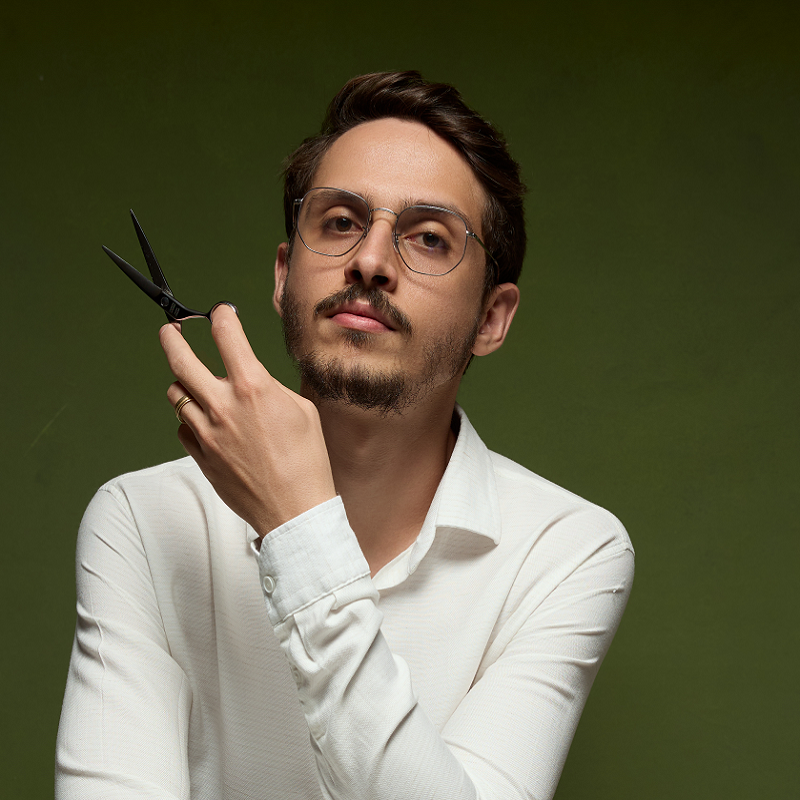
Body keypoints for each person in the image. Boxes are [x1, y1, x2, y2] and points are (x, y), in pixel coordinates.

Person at [56, 71, 634, 800]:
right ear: (283, 276)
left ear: (491, 318)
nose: (370, 260)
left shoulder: (568, 549)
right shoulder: (142, 522)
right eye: (339, 222)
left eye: (430, 238)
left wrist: (298, 527)